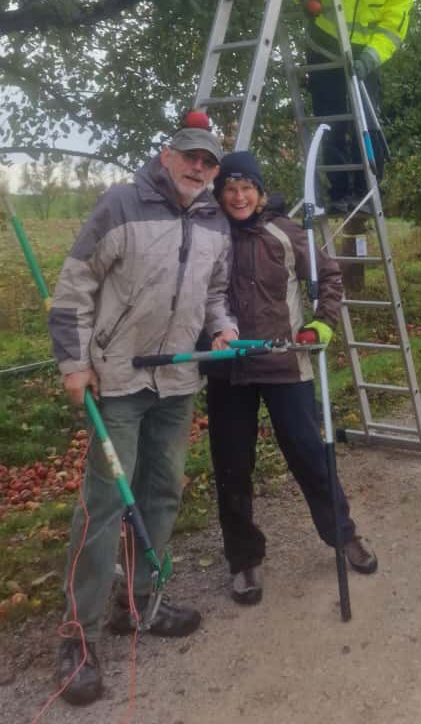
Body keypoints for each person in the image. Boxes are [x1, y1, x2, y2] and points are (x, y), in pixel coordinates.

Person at [47, 122, 238, 706]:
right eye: (190, 158)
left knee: (162, 493)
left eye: (208, 163)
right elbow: (74, 288)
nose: (199, 169)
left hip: (177, 381)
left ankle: (141, 603)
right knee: (105, 503)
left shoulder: (213, 221)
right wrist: (74, 365)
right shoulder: (121, 205)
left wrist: (224, 327)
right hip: (120, 379)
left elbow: (214, 293)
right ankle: (76, 635)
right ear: (166, 155)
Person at [205, 151, 377, 607]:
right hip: (228, 370)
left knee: (308, 455)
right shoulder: (210, 234)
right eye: (229, 189)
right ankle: (244, 558)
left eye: (247, 188)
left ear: (261, 194)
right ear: (220, 194)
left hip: (286, 364)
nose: (238, 197)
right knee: (231, 467)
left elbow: (331, 278)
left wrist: (321, 324)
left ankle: (343, 534)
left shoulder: (288, 233)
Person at [287, 0, 415, 213]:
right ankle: (339, 193)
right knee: (331, 121)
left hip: (363, 56)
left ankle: (366, 191)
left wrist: (370, 58)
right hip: (324, 46)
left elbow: (392, 30)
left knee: (367, 122)